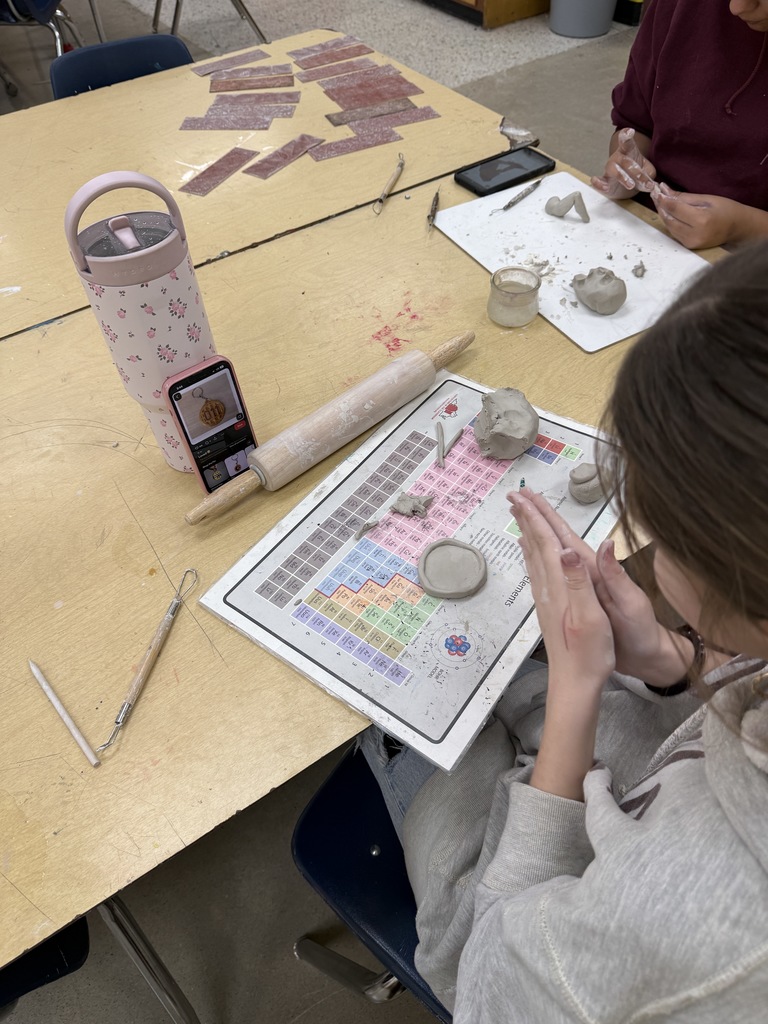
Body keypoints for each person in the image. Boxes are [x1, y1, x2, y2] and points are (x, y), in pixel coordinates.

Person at [361, 240, 768, 1022]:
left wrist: (577, 694)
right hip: (680, 778)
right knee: (531, 677)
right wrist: (675, 661)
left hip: (525, 939)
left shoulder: (706, 934)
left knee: (422, 709)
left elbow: (490, 986)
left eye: (664, 533)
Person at [591, 0, 768, 250]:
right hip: (654, 231)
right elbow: (636, 122)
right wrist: (628, 169)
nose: (737, 7)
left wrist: (742, 227)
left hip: (752, 257)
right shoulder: (679, 6)